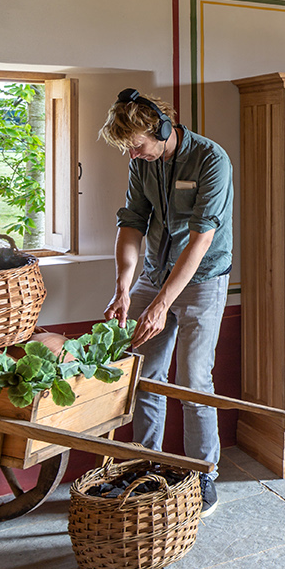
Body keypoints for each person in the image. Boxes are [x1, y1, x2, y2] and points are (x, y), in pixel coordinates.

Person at [100, 89, 234, 518]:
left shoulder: (212, 159)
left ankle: (203, 473)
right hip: (154, 274)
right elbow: (132, 223)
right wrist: (124, 286)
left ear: (160, 128)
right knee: (144, 375)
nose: (134, 155)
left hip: (202, 279)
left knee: (194, 380)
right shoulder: (142, 164)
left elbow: (201, 240)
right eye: (128, 150)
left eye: (138, 145)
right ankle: (146, 465)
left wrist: (161, 305)